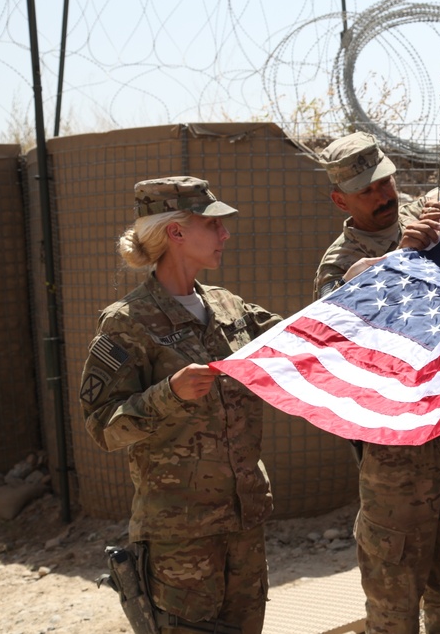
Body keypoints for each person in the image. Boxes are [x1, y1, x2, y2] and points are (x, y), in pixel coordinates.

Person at [315, 132, 440, 634]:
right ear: (341, 200)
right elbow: (350, 342)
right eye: (367, 191)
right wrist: (400, 260)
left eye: (386, 182)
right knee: (393, 608)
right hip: (395, 463)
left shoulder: (422, 217)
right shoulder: (340, 264)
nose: (383, 196)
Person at [79, 176, 281, 634]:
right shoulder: (127, 322)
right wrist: (166, 394)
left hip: (243, 525)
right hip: (180, 538)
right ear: (176, 232)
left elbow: (302, 339)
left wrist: (358, 281)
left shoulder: (231, 309)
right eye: (212, 224)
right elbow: (101, 426)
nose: (224, 233)